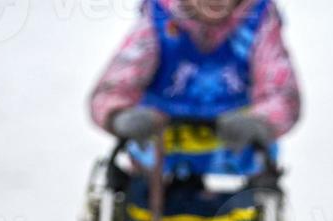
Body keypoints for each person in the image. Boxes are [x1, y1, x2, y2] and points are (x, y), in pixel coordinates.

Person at [89, 0, 301, 175]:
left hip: (237, 161)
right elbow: (116, 83)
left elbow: (281, 92)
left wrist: (262, 122)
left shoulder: (259, 22)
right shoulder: (159, 21)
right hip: (159, 162)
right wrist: (118, 114)